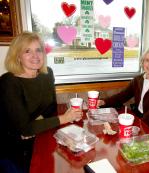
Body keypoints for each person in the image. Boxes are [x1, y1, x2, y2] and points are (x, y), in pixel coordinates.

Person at [0, 31, 83, 173]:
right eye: (27, 51)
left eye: (38, 50)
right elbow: (24, 129)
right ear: (18, 56)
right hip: (13, 145)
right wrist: (65, 118)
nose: (35, 56)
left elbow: (50, 110)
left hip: (38, 134)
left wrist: (34, 125)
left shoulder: (47, 74)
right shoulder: (9, 82)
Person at [97, 47, 149, 134]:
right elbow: (122, 96)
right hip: (137, 119)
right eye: (147, 60)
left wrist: (134, 127)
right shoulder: (138, 80)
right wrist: (103, 102)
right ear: (143, 62)